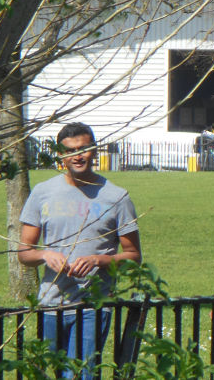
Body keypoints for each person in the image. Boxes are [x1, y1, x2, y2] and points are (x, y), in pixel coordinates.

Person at [18, 122, 141, 379]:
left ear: (94, 151)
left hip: (93, 305)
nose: (78, 155)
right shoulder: (42, 193)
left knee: (81, 375)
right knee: (52, 373)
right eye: (70, 150)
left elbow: (133, 256)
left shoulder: (117, 197)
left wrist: (100, 259)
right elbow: (24, 253)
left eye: (84, 148)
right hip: (52, 302)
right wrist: (45, 254)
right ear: (60, 155)